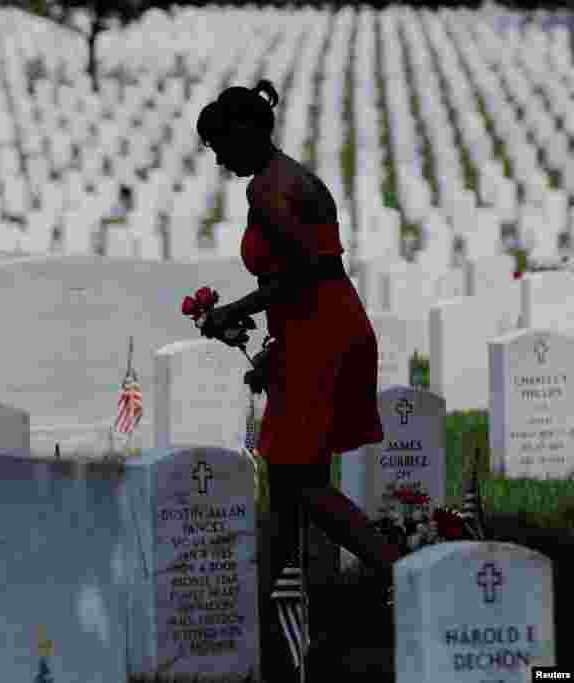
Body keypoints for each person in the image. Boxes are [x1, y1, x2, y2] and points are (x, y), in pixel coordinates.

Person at [195, 79, 401, 652]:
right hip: (315, 329)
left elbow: (305, 275)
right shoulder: (277, 179)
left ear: (248, 131)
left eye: (220, 146)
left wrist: (235, 311)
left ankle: (401, 571)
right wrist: (276, 347)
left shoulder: (273, 188)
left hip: (323, 332)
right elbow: (297, 283)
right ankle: (270, 616)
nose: (219, 160)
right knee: (284, 484)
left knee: (299, 480)